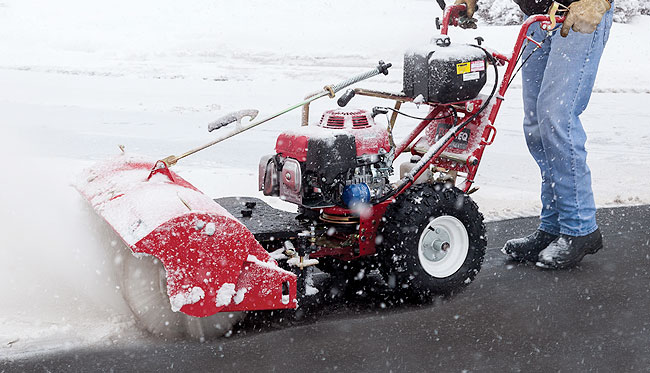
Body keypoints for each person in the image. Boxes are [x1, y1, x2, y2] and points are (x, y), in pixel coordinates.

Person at [454, 0, 613, 268]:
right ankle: (553, 226)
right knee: (537, 127)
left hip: (579, 13)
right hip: (539, 17)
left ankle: (580, 227)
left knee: (557, 119)